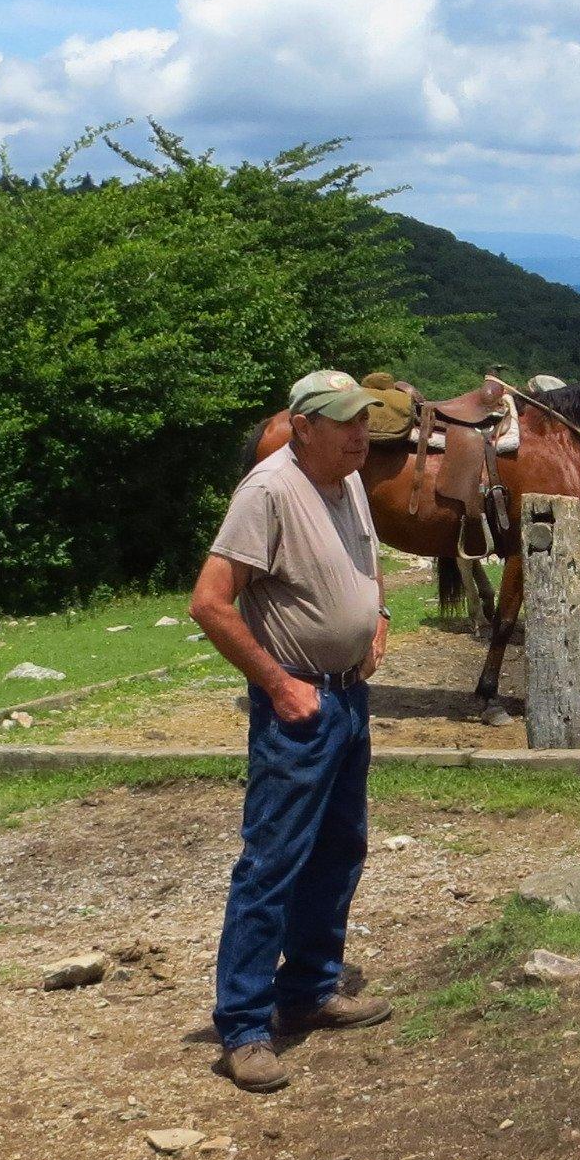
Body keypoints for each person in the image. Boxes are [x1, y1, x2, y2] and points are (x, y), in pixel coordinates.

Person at [188, 370, 394, 1092]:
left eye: (362, 419)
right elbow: (209, 603)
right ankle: (243, 1026)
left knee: (340, 848)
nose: (359, 432)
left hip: (349, 699)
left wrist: (379, 619)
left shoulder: (350, 480)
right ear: (302, 426)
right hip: (299, 707)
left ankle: (309, 989)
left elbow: (366, 562)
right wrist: (278, 684)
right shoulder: (269, 491)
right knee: (272, 859)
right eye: (342, 421)